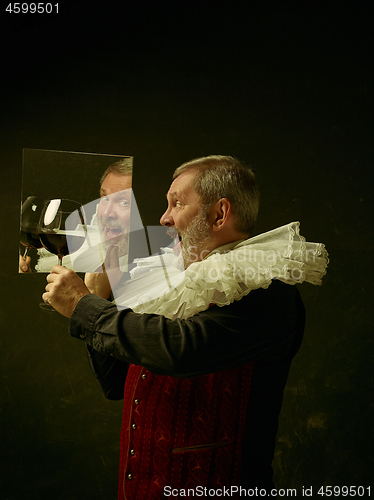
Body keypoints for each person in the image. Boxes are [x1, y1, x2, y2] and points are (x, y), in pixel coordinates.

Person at [42, 155, 328, 499]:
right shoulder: (167, 284)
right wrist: (98, 299)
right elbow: (116, 383)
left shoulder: (267, 292)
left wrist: (82, 307)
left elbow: (179, 350)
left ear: (219, 214)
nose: (163, 218)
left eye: (176, 203)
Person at [19, 157, 132, 278]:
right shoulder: (86, 253)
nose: (106, 213)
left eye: (124, 202)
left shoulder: (146, 274)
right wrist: (26, 280)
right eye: (105, 198)